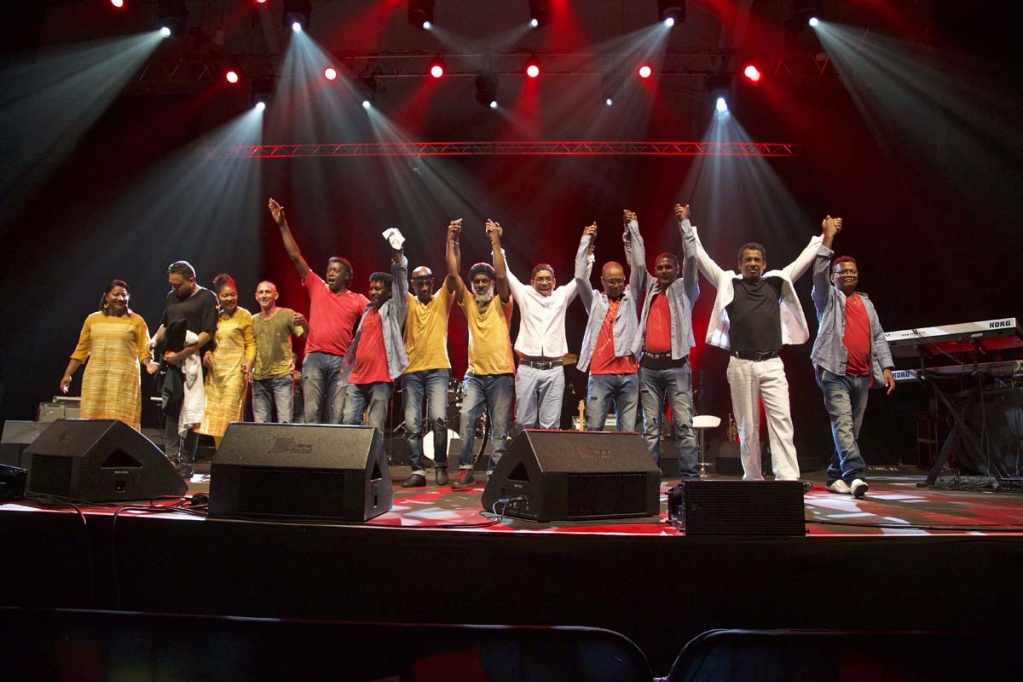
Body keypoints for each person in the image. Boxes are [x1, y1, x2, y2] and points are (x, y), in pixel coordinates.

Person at [686, 206, 823, 482]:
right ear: (739, 264)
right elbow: (702, 259)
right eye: (747, 260)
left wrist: (823, 237)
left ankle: (788, 479)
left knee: (781, 421)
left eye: (757, 260)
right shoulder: (729, 283)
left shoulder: (776, 282)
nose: (752, 263)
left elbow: (803, 261)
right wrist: (686, 225)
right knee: (747, 426)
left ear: (764, 263)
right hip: (740, 364)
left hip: (772, 362)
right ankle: (752, 477)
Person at [811, 216, 896, 498]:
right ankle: (856, 475)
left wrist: (886, 367)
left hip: (862, 375)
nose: (848, 274)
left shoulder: (867, 303)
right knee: (843, 425)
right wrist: (828, 237)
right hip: (834, 372)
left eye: (852, 271)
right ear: (833, 277)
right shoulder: (827, 298)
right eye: (842, 271)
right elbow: (819, 271)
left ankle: (835, 476)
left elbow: (878, 336)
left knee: (850, 431)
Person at [268, 198, 367, 424]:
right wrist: (282, 225)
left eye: (335, 270)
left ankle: (333, 448)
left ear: (346, 276)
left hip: (341, 361)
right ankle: (311, 448)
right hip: (314, 357)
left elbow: (376, 320)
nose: (330, 273)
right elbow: (295, 256)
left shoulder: (358, 300)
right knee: (311, 412)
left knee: (337, 415)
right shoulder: (317, 286)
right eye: (328, 270)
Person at [630, 207, 701, 476]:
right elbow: (638, 264)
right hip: (648, 367)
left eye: (668, 267)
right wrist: (633, 227)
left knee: (683, 425)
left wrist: (684, 223)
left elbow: (692, 256)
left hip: (676, 366)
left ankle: (690, 479)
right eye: (659, 267)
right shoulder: (649, 287)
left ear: (677, 269)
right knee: (650, 428)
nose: (662, 270)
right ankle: (651, 479)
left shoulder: (685, 288)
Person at [496, 222, 587, 430]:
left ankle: (547, 454)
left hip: (554, 369)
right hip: (528, 368)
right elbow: (505, 271)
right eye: (540, 279)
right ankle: (523, 453)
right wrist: (497, 242)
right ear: (532, 282)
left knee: (551, 424)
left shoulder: (562, 295)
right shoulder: (524, 294)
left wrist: (586, 248)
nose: (544, 282)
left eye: (548, 279)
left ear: (554, 281)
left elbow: (580, 277)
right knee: (523, 422)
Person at [447, 219, 515, 488]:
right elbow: (453, 275)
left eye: (485, 280)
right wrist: (452, 240)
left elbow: (503, 277)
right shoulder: (468, 303)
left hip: (501, 376)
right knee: (466, 417)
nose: (481, 284)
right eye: (476, 281)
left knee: (500, 428)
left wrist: (495, 241)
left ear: (492, 284)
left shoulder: (503, 303)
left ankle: (495, 474)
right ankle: (466, 469)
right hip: (475, 376)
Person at [148, 261, 219, 478]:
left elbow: (208, 332)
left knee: (191, 409)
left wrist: (183, 354)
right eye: (171, 284)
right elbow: (165, 324)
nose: (174, 288)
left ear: (191, 280)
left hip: (194, 361)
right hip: (172, 360)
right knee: (171, 407)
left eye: (178, 285)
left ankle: (186, 459)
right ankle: (171, 458)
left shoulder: (206, 298)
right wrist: (154, 341)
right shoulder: (172, 297)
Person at [574, 218, 641, 433]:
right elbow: (580, 277)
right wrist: (586, 241)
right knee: (594, 427)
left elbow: (639, 266)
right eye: (611, 281)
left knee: (627, 432)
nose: (616, 285)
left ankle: (624, 459)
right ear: (602, 281)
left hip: (629, 373)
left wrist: (631, 231)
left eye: (620, 280)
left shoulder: (631, 297)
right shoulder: (595, 300)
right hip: (600, 373)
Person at [339, 233, 409, 439]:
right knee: (348, 422)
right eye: (371, 288)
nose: (373, 292)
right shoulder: (367, 311)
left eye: (378, 289)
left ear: (389, 292)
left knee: (375, 427)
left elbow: (401, 281)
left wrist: (397, 253)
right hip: (357, 378)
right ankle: (351, 459)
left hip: (380, 379)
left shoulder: (394, 310)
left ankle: (374, 461)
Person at [60, 280, 154, 431]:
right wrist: (68, 374)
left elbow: (145, 349)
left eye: (124, 295)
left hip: (123, 379)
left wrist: (148, 363)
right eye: (115, 294)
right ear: (106, 297)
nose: (120, 298)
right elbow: (81, 350)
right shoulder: (92, 320)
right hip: (96, 378)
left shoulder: (137, 321)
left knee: (121, 422)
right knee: (92, 423)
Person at [400, 252, 456, 488]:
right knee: (412, 424)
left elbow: (453, 272)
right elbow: (397, 278)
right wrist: (398, 254)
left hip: (437, 369)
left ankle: (441, 465)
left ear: (433, 283)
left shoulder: (442, 299)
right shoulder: (408, 301)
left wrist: (452, 241)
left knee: (439, 419)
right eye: (419, 282)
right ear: (412, 284)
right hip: (411, 371)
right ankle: (418, 471)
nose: (424, 286)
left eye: (427, 282)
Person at [197, 274, 256, 448]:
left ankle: (230, 453)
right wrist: (207, 353)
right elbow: (210, 341)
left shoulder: (244, 315)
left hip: (235, 372)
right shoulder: (215, 317)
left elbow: (251, 344)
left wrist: (249, 362)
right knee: (216, 415)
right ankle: (219, 453)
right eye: (225, 295)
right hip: (216, 373)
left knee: (230, 414)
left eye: (233, 294)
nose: (230, 298)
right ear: (218, 298)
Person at [251, 280, 308, 424]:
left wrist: (304, 322)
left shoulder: (287, 314)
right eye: (261, 292)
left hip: (281, 375)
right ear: (256, 296)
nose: (264, 295)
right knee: (260, 425)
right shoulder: (253, 320)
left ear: (276, 295)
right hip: (259, 377)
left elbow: (305, 335)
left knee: (284, 423)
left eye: (268, 292)